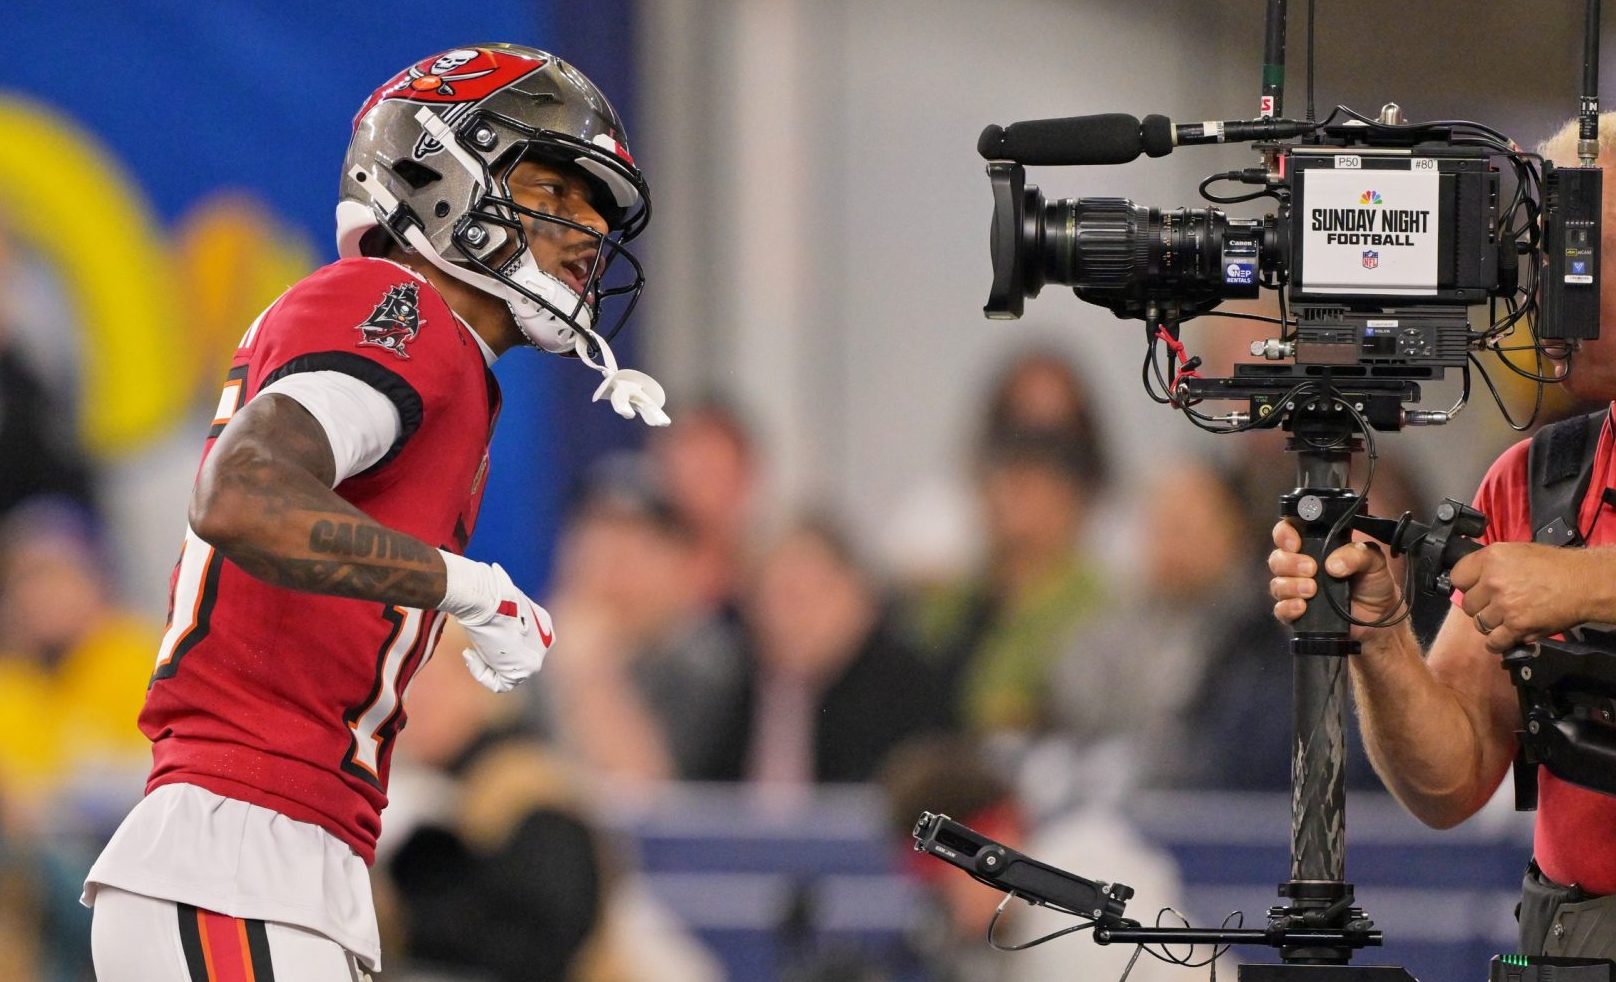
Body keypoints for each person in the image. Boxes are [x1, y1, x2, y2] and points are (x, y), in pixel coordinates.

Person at [82, 44, 668, 980]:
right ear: (437, 173)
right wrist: (463, 586)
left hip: (285, 854)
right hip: (241, 852)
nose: (585, 230)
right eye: (555, 192)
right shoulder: (401, 306)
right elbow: (242, 494)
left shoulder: (442, 358)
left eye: (594, 209)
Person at [1268, 113, 1616, 958]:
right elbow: (1454, 780)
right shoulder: (1537, 480)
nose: (1540, 294)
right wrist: (1378, 635)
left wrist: (1588, 584)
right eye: (1531, 256)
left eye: (1574, 249)